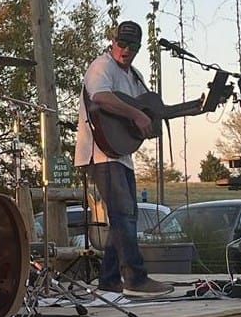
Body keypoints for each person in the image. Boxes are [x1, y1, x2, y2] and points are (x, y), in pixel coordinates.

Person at [74, 20, 173, 298]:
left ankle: (108, 279)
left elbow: (144, 114)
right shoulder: (101, 66)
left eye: (132, 46)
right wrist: (135, 115)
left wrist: (146, 123)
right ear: (113, 41)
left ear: (139, 48)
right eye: (121, 44)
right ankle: (135, 278)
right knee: (124, 215)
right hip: (100, 152)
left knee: (123, 217)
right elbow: (100, 97)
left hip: (121, 155)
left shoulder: (136, 77)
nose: (125, 50)